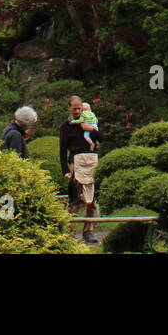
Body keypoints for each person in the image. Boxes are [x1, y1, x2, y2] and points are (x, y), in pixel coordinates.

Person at [60, 95, 102, 243]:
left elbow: (101, 137)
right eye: (74, 108)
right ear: (69, 108)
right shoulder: (66, 126)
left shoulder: (90, 121)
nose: (77, 111)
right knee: (74, 197)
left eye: (79, 108)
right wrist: (65, 169)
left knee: (91, 199)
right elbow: (63, 149)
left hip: (92, 160)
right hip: (76, 162)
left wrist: (90, 129)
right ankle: (69, 229)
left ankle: (88, 230)